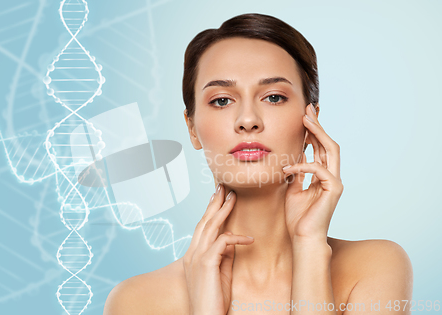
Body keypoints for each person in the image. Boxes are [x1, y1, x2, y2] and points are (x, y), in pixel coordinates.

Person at [103, 13, 412, 315]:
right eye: (222, 100)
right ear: (192, 128)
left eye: (274, 97)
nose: (248, 120)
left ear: (310, 121)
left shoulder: (375, 266)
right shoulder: (137, 302)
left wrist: (309, 247)